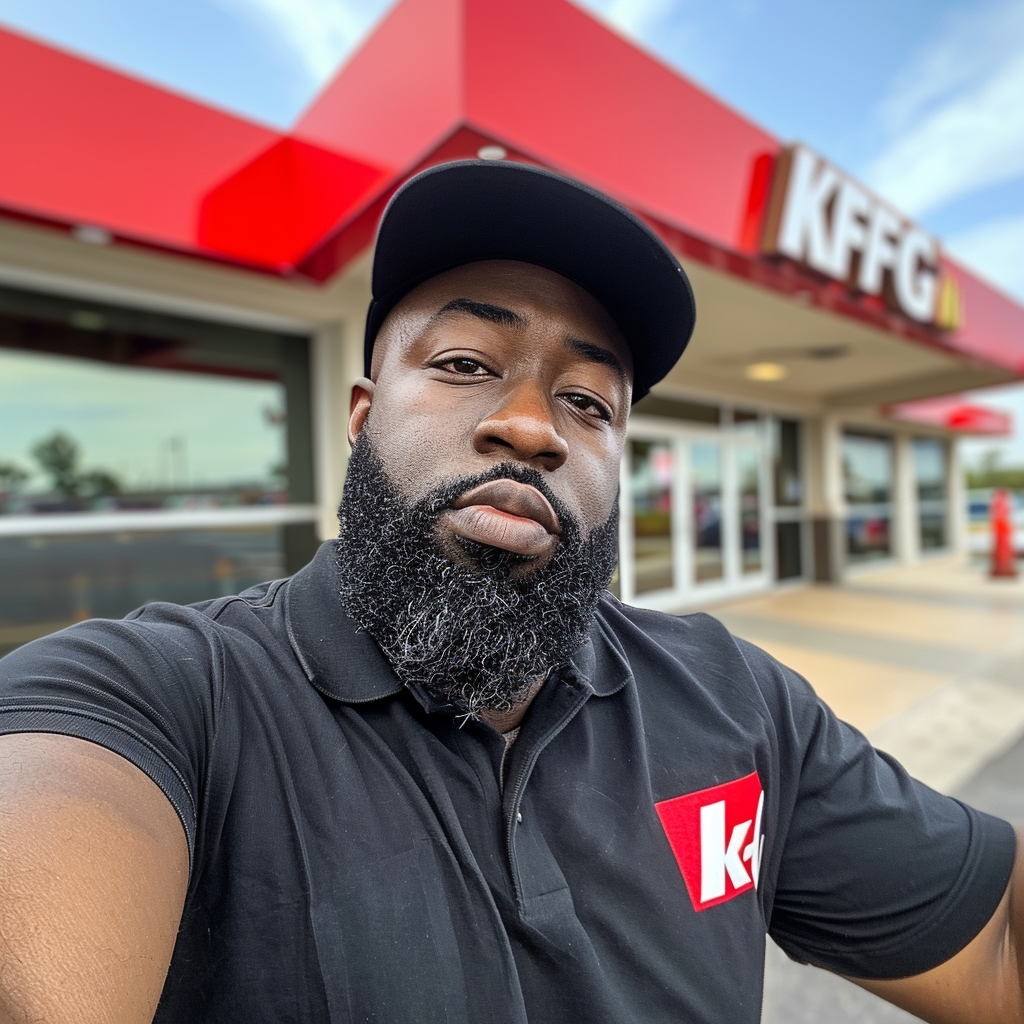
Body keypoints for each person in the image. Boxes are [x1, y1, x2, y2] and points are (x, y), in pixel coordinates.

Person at [0, 159, 1020, 1024]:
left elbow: (993, 940)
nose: (532, 424)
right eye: (461, 362)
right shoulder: (153, 696)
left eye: (586, 399)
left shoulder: (742, 704)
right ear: (359, 416)